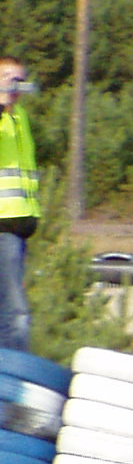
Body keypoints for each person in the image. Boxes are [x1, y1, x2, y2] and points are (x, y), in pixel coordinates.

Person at [0, 57, 40, 355]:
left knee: (10, 305)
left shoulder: (20, 116)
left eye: (19, 79)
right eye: (8, 78)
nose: (16, 85)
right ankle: (13, 372)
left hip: (19, 223)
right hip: (2, 224)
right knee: (16, 311)